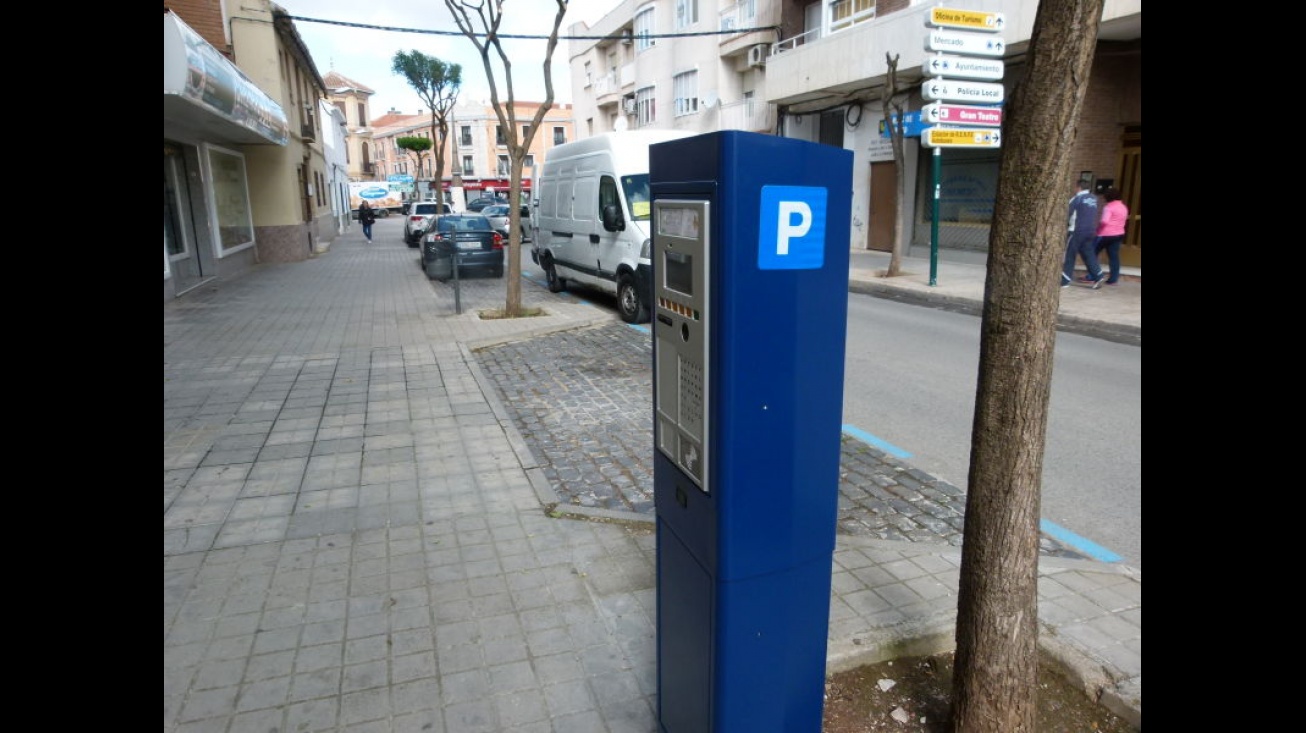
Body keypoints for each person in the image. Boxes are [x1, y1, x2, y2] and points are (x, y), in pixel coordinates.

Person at [1061, 179, 1103, 288]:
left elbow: (1067, 214)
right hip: (1090, 231)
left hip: (1076, 230)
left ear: (1078, 187)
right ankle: (1098, 275)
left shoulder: (1076, 199)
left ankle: (1065, 280)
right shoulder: (1094, 198)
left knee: (1070, 255)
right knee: (1088, 254)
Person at [1094, 187, 1128, 285]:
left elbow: (1104, 221)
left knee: (1092, 253)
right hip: (1119, 234)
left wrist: (1098, 230)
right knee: (1114, 257)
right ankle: (1113, 279)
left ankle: (1093, 275)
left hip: (1106, 234)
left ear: (1108, 197)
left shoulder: (1108, 207)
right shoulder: (1123, 207)